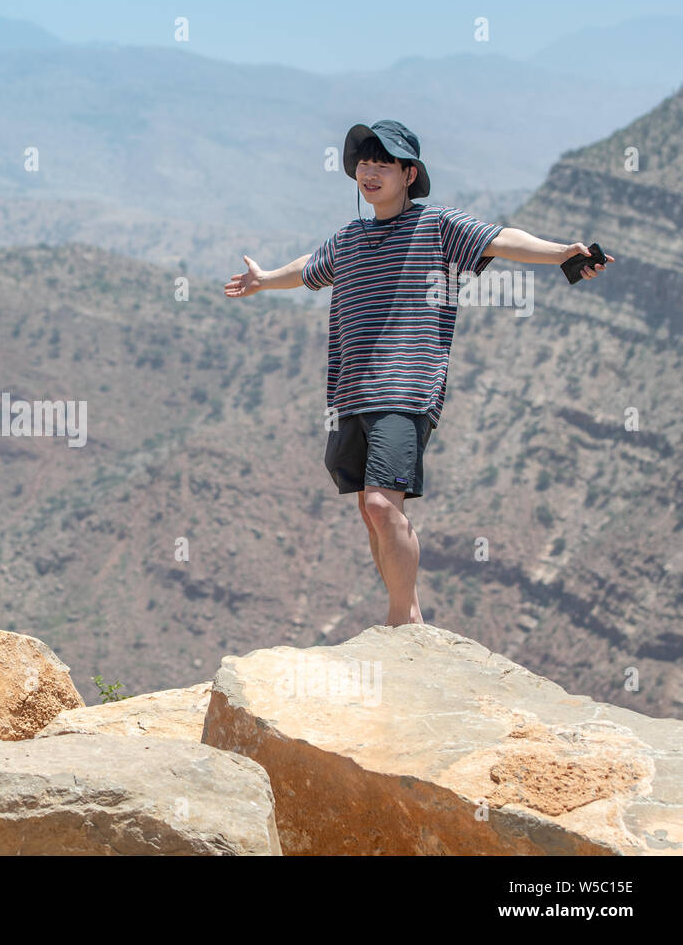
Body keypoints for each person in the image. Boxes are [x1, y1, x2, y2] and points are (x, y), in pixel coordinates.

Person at [223, 119, 612, 627]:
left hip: (406, 390)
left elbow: (502, 239)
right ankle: (411, 618)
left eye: (383, 164)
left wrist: (562, 252)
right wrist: (266, 279)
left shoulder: (439, 227)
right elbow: (313, 266)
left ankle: (401, 624)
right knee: (372, 512)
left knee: (384, 506)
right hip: (351, 393)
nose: (370, 172)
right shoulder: (350, 237)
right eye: (364, 163)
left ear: (409, 174)